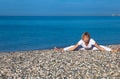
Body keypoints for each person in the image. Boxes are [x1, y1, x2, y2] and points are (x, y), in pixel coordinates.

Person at [54, 32, 119, 52]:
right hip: (83, 48)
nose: (86, 39)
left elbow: (98, 46)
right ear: (83, 38)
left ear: (89, 37)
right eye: (85, 38)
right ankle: (60, 49)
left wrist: (102, 50)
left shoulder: (91, 40)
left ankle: (113, 50)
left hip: (92, 48)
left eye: (87, 38)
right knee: (71, 46)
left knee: (102, 46)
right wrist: (67, 50)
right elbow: (74, 47)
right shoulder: (81, 41)